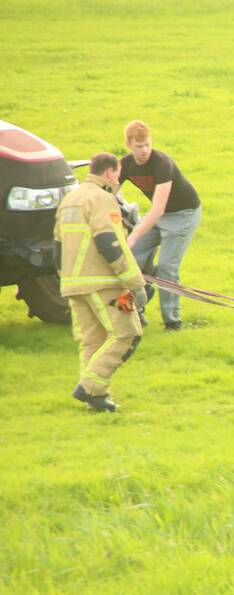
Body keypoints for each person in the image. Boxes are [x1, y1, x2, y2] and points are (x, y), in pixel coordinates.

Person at [53, 153, 147, 412]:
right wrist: (135, 282)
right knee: (128, 332)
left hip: (73, 284)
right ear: (109, 172)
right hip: (106, 284)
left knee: (92, 341)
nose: (118, 181)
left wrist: (66, 279)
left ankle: (95, 399)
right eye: (117, 175)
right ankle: (89, 387)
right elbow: (110, 243)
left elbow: (57, 249)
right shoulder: (103, 199)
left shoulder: (69, 200)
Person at [118, 120, 201, 331]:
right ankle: (137, 308)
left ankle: (172, 321)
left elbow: (158, 208)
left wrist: (133, 236)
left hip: (183, 214)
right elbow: (109, 194)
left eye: (147, 144)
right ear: (129, 144)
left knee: (166, 265)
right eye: (139, 146)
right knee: (131, 257)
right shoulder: (125, 164)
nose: (144, 150)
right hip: (159, 215)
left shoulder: (162, 163)